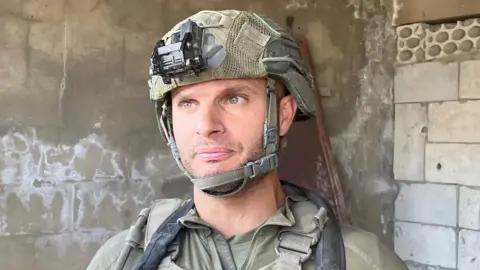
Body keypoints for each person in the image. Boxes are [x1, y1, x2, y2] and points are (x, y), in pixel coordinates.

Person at [87, 9, 408, 270]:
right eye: (187, 103)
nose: (206, 126)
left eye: (233, 99)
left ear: (282, 116)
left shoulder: (361, 261)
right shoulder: (122, 259)